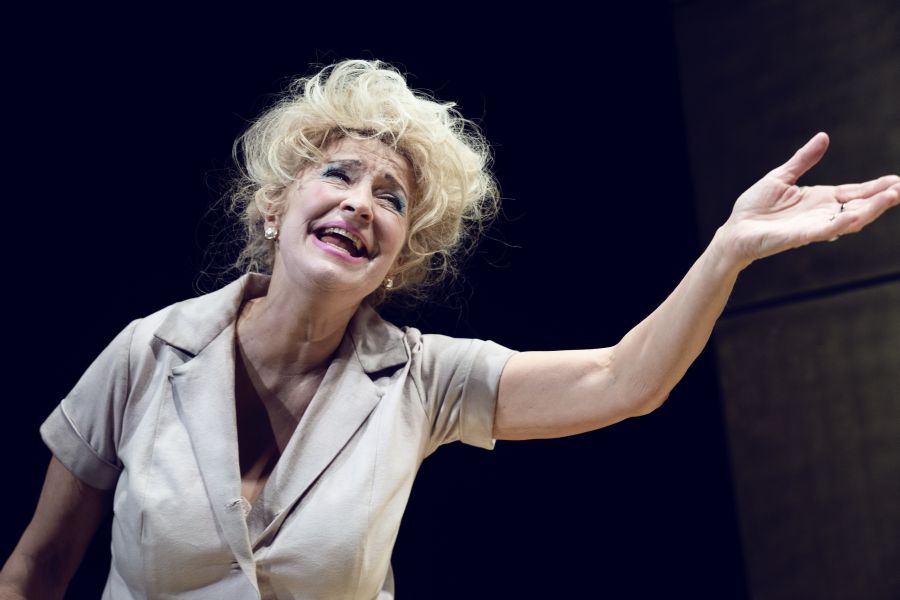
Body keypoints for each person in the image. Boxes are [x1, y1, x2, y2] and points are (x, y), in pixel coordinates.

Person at [1, 59, 898, 600]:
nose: (361, 203)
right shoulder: (148, 352)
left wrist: (729, 249)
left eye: (390, 199)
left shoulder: (421, 379)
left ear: (399, 258)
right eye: (338, 175)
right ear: (274, 208)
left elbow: (625, 380)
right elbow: (36, 571)